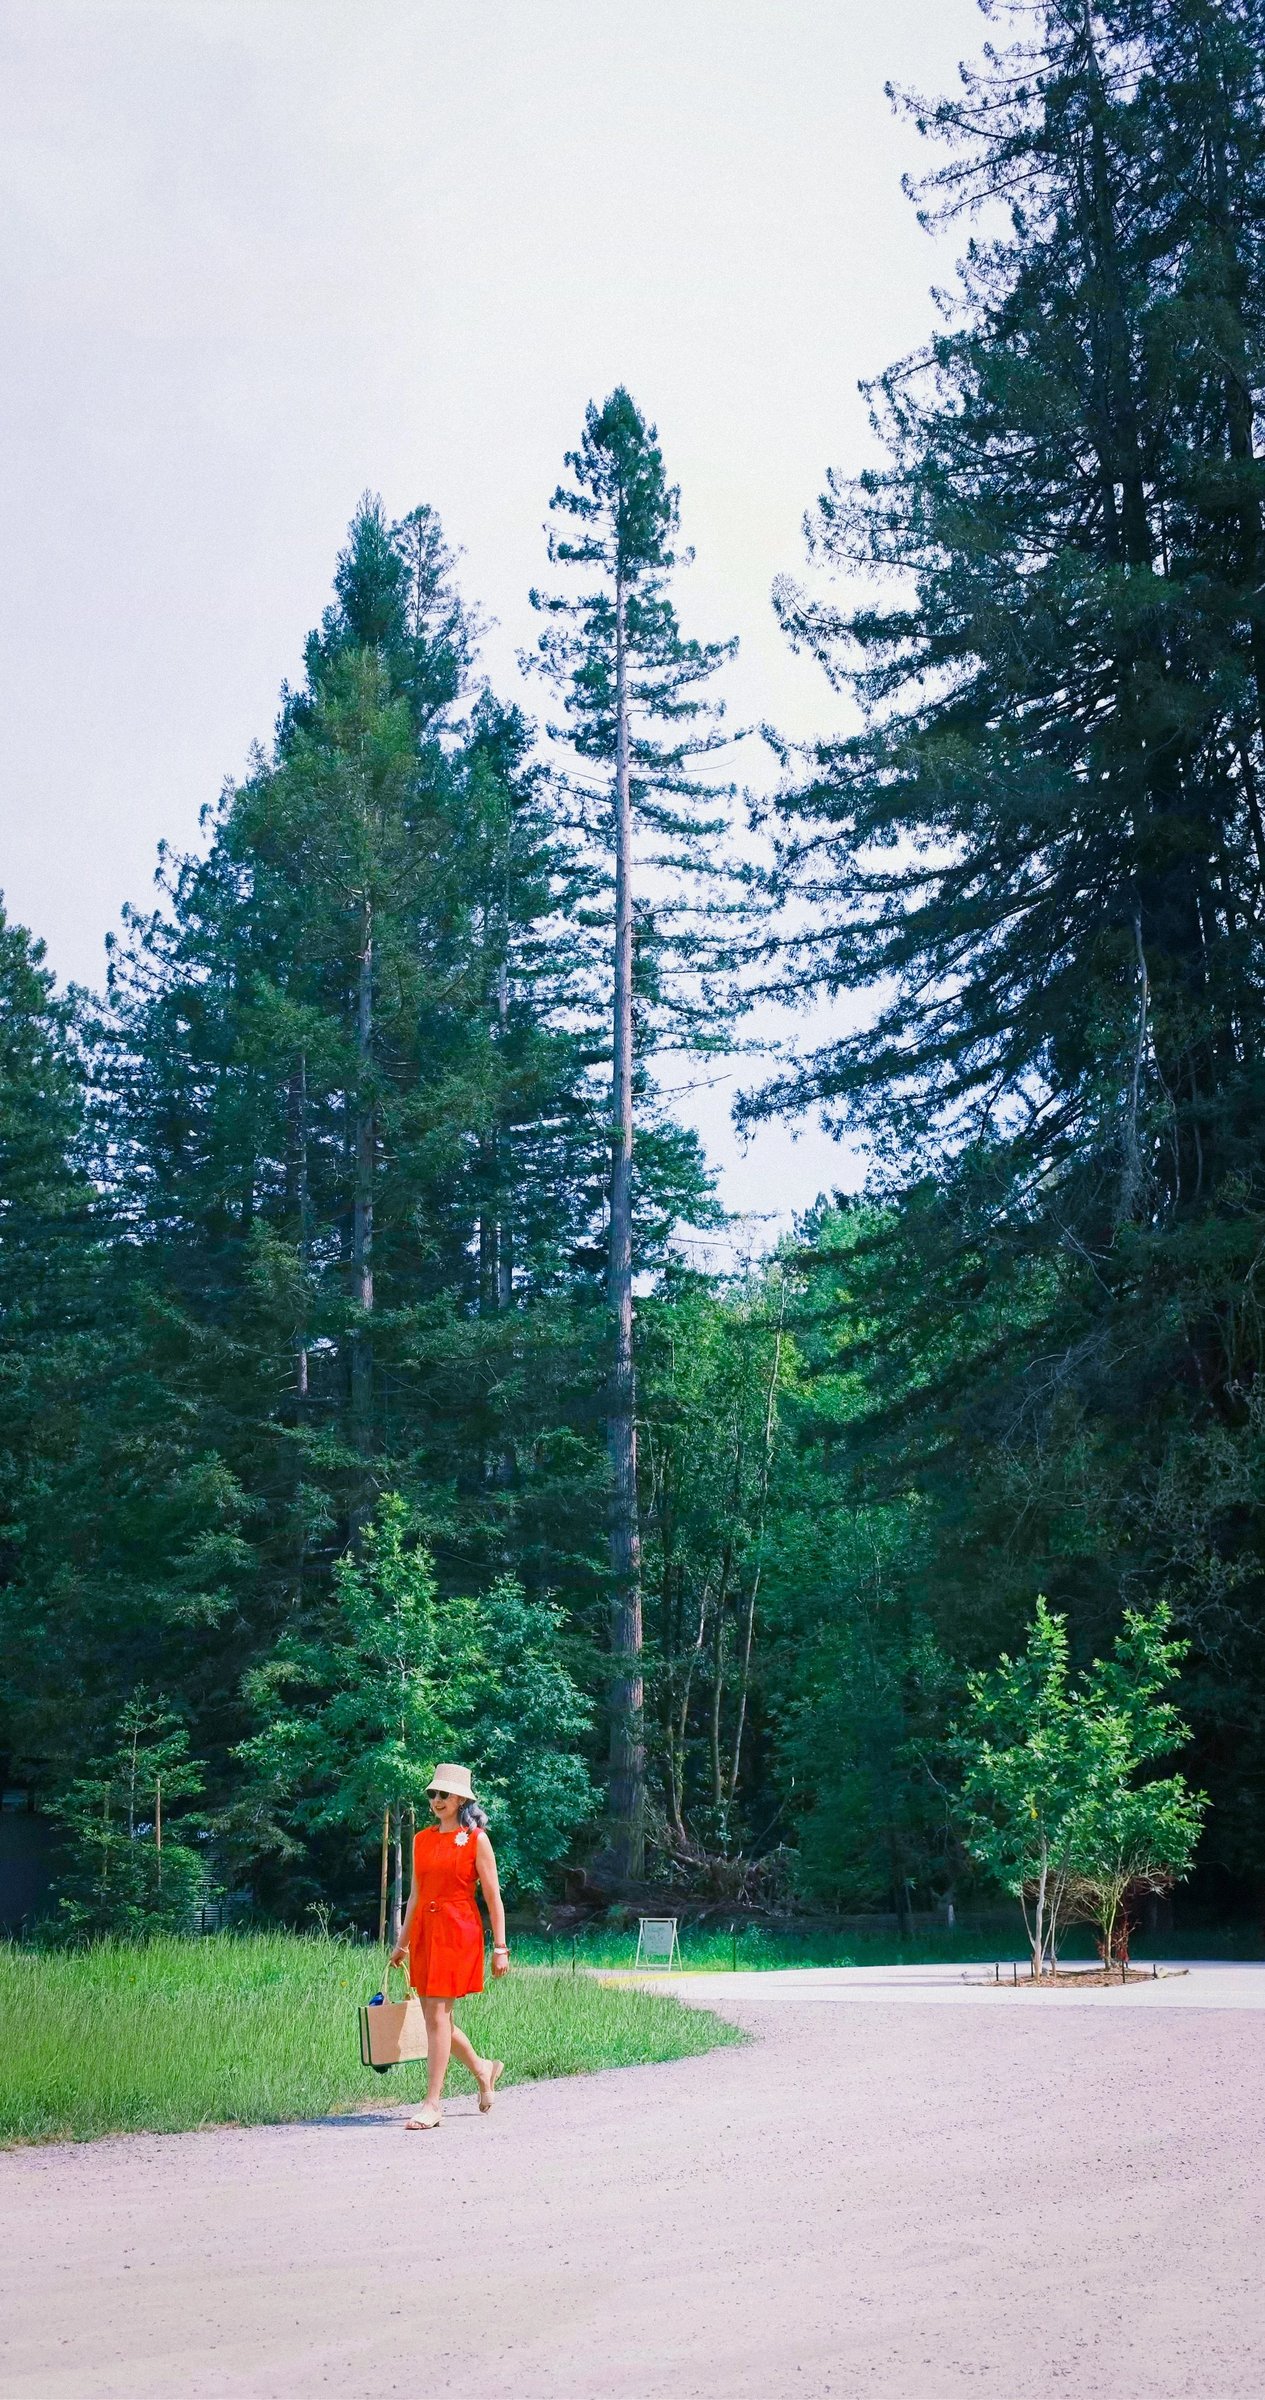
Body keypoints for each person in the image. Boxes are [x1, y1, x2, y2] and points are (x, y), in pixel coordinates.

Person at [390, 1763, 509, 2131]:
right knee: (435, 2018)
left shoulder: (477, 1840)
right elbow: (414, 1896)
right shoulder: (421, 1839)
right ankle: (483, 2068)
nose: (436, 1800)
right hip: (426, 1931)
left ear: (460, 1799)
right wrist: (402, 1943)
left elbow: (493, 1897)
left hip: (458, 1932)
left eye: (444, 1795)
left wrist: (500, 1947)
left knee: (438, 2017)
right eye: (433, 1794)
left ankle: (433, 2103)